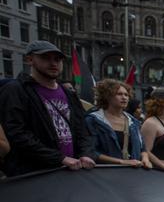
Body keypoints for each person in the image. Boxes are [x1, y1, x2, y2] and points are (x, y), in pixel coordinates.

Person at [0, 40, 95, 175]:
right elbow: (16, 133)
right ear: (30, 60)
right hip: (34, 174)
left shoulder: (69, 94)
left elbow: (83, 130)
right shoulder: (15, 90)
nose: (53, 63)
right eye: (45, 58)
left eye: (57, 59)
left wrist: (86, 153)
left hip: (70, 172)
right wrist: (59, 158)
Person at [85, 79, 145, 168]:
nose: (124, 97)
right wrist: (121, 162)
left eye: (126, 95)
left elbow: (142, 148)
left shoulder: (133, 122)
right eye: (119, 94)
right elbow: (90, 151)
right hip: (105, 172)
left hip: (132, 174)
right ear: (107, 96)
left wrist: (145, 158)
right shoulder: (93, 120)